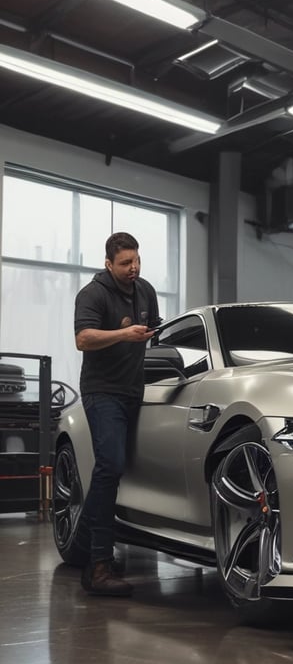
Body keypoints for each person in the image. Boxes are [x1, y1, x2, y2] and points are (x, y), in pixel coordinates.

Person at [74, 232, 160, 596]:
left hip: (133, 391)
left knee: (119, 468)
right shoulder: (92, 294)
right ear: (109, 264)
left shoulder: (146, 290)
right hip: (102, 390)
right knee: (110, 465)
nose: (133, 268)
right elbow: (83, 339)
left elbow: (156, 332)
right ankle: (98, 566)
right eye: (125, 263)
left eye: (136, 260)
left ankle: (83, 539)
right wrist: (122, 335)